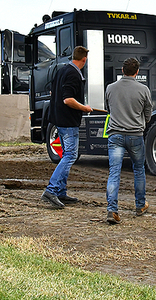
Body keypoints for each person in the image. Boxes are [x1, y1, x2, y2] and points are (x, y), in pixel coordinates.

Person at [41, 46, 93, 209]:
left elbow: (54, 93)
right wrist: (84, 108)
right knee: (70, 155)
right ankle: (51, 190)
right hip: (68, 121)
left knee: (66, 155)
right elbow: (68, 99)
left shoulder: (62, 70)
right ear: (84, 59)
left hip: (58, 119)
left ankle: (61, 191)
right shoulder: (73, 74)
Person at [104, 57, 152, 224]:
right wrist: (142, 124)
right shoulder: (144, 89)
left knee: (114, 172)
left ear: (122, 70)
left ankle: (112, 210)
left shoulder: (110, 88)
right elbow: (148, 113)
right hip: (136, 135)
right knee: (139, 170)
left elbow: (108, 108)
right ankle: (140, 205)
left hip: (115, 135)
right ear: (137, 72)